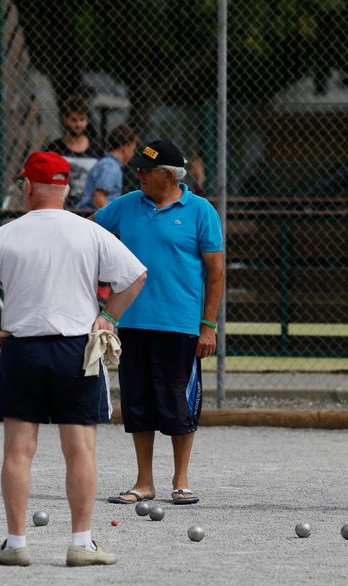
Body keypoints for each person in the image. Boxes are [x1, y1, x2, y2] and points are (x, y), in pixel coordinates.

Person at [0, 151, 147, 566]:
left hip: (22, 348)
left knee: (18, 453)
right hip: (77, 348)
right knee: (80, 451)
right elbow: (136, 275)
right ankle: (81, 542)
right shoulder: (88, 232)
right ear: (63, 187)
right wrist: (107, 317)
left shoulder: (5, 235)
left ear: (30, 186)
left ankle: (17, 544)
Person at [93, 139, 225, 507]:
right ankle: (144, 481)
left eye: (144, 171)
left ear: (167, 175)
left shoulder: (200, 211)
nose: (137, 175)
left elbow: (216, 273)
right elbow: (88, 232)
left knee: (178, 403)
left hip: (180, 324)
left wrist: (208, 325)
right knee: (138, 402)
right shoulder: (127, 206)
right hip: (132, 321)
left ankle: (180, 480)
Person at [44, 95, 104, 209]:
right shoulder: (55, 148)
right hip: (61, 208)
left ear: (87, 121)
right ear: (65, 120)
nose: (78, 125)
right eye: (73, 120)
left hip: (89, 210)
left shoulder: (97, 149)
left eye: (82, 120)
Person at [76, 124, 139, 212]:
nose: (133, 154)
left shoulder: (107, 163)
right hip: (92, 216)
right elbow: (98, 197)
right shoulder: (111, 166)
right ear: (125, 147)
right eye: (133, 149)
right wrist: (111, 220)